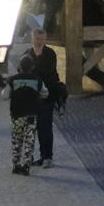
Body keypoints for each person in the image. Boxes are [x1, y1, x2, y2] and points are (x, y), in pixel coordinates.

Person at [1, 53, 49, 176]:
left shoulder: (12, 80)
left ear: (19, 66)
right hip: (32, 114)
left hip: (17, 114)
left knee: (16, 139)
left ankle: (16, 165)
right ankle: (26, 165)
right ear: (32, 67)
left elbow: (5, 96)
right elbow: (45, 93)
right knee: (29, 140)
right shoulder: (37, 80)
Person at [24, 27, 65, 168]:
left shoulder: (50, 53)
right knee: (33, 128)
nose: (39, 41)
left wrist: (34, 73)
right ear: (32, 38)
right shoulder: (27, 54)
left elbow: (49, 72)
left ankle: (48, 156)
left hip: (48, 95)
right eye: (37, 39)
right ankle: (41, 156)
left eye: (42, 39)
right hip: (32, 96)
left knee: (45, 126)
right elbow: (22, 71)